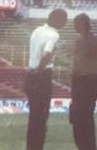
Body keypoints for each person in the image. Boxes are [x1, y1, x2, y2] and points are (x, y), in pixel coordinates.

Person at [26, 8, 68, 150]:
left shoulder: (37, 30)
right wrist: (40, 70)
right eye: (63, 21)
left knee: (33, 116)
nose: (64, 24)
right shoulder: (54, 35)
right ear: (57, 20)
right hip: (42, 76)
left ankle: (30, 147)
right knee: (42, 117)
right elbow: (47, 54)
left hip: (30, 75)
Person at [69, 13, 97, 150]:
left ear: (80, 24)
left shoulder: (80, 41)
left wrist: (74, 90)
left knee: (84, 121)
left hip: (84, 84)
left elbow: (78, 67)